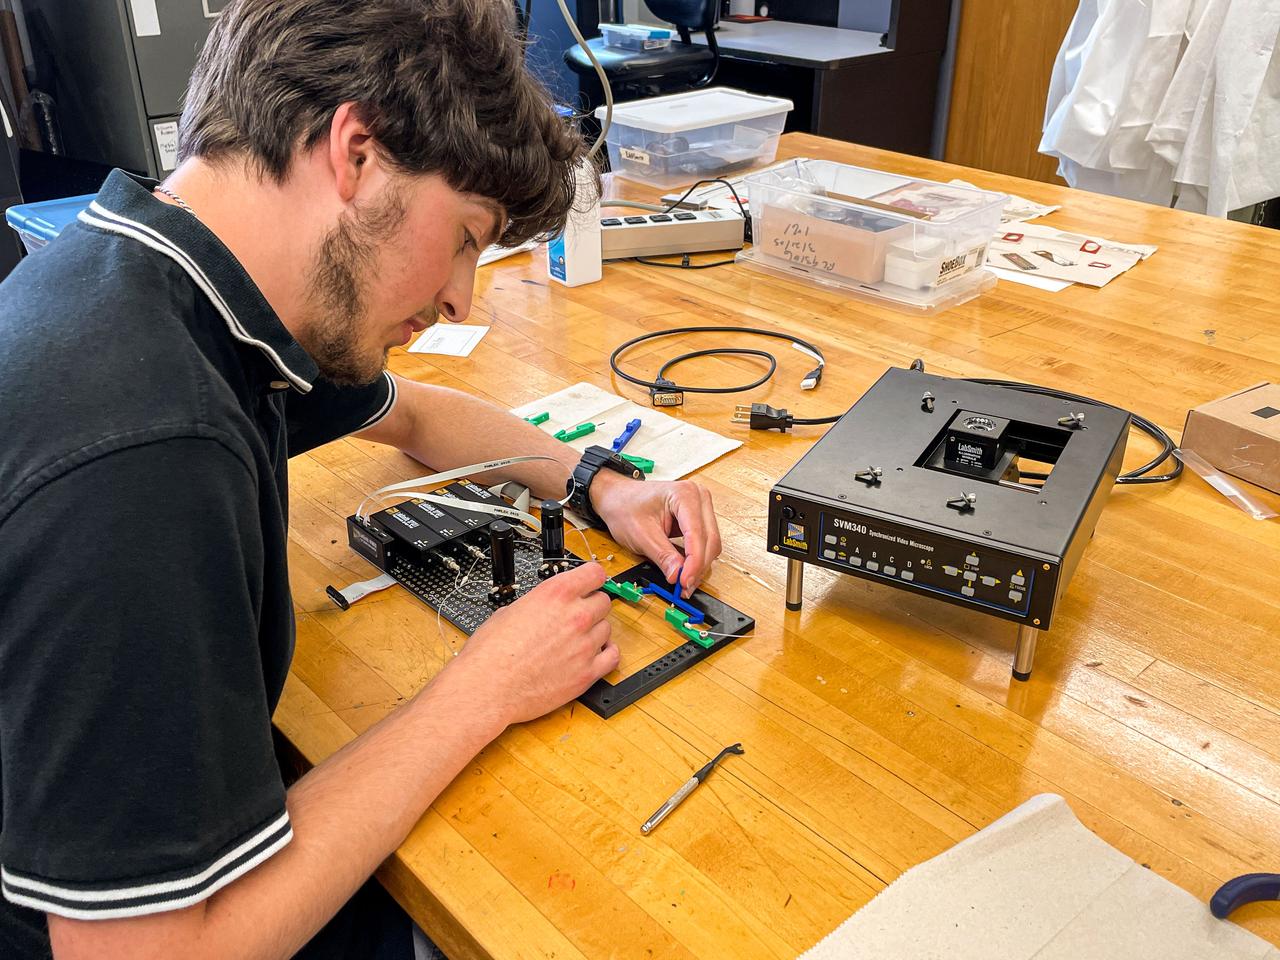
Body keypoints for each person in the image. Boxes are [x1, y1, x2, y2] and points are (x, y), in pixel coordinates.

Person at [0, 1, 722, 957]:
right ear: (358, 154)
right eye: (467, 235)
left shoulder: (157, 283)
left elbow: (415, 413)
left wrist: (598, 482)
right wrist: (483, 690)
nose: (464, 294)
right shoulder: (148, 455)